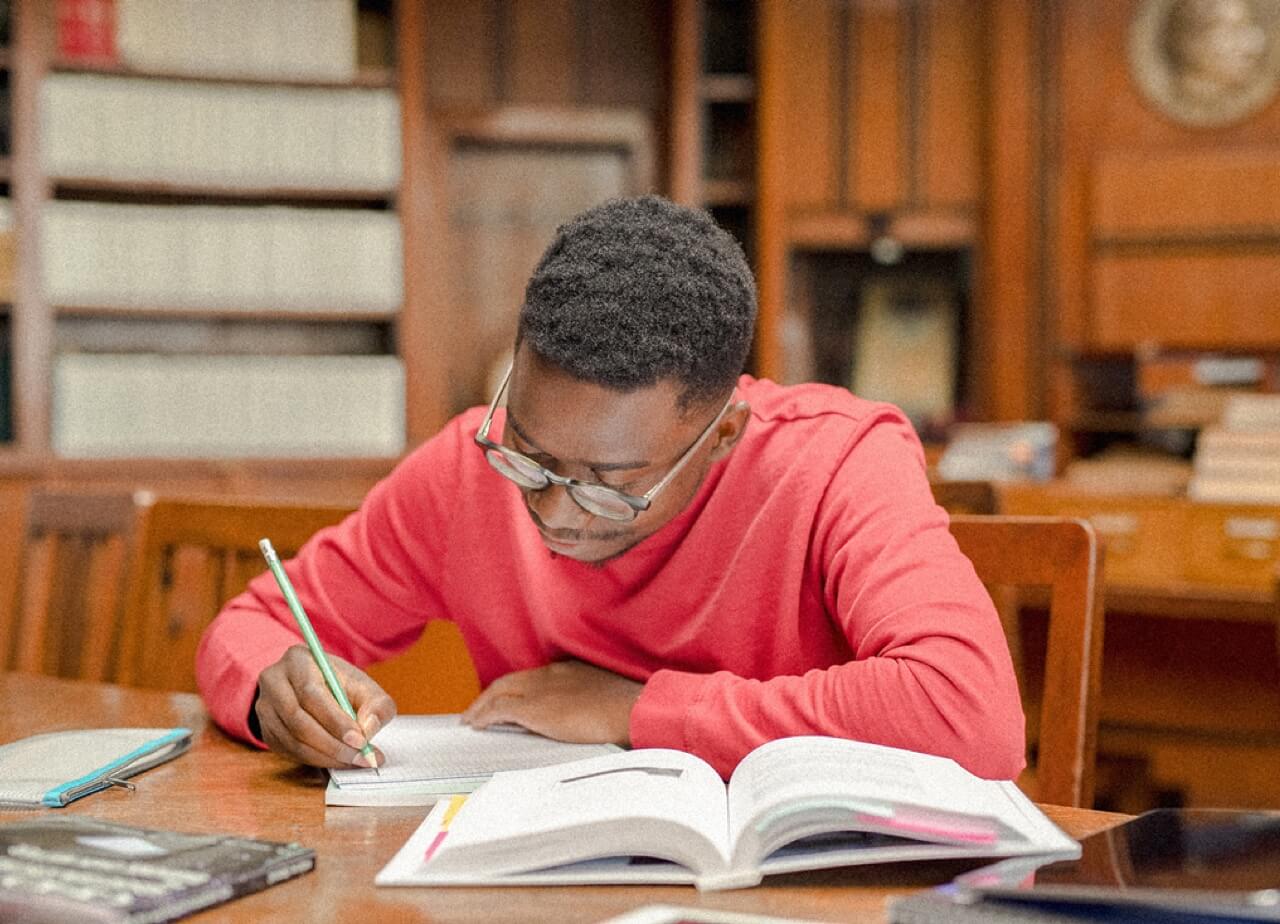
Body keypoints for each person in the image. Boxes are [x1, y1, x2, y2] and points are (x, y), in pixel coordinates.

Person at [195, 195, 1024, 781]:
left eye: (609, 485)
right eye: (526, 450)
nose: (551, 509)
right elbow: (254, 625)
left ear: (722, 433)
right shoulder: (465, 472)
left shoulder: (837, 461)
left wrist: (639, 712)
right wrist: (277, 691)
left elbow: (968, 712)